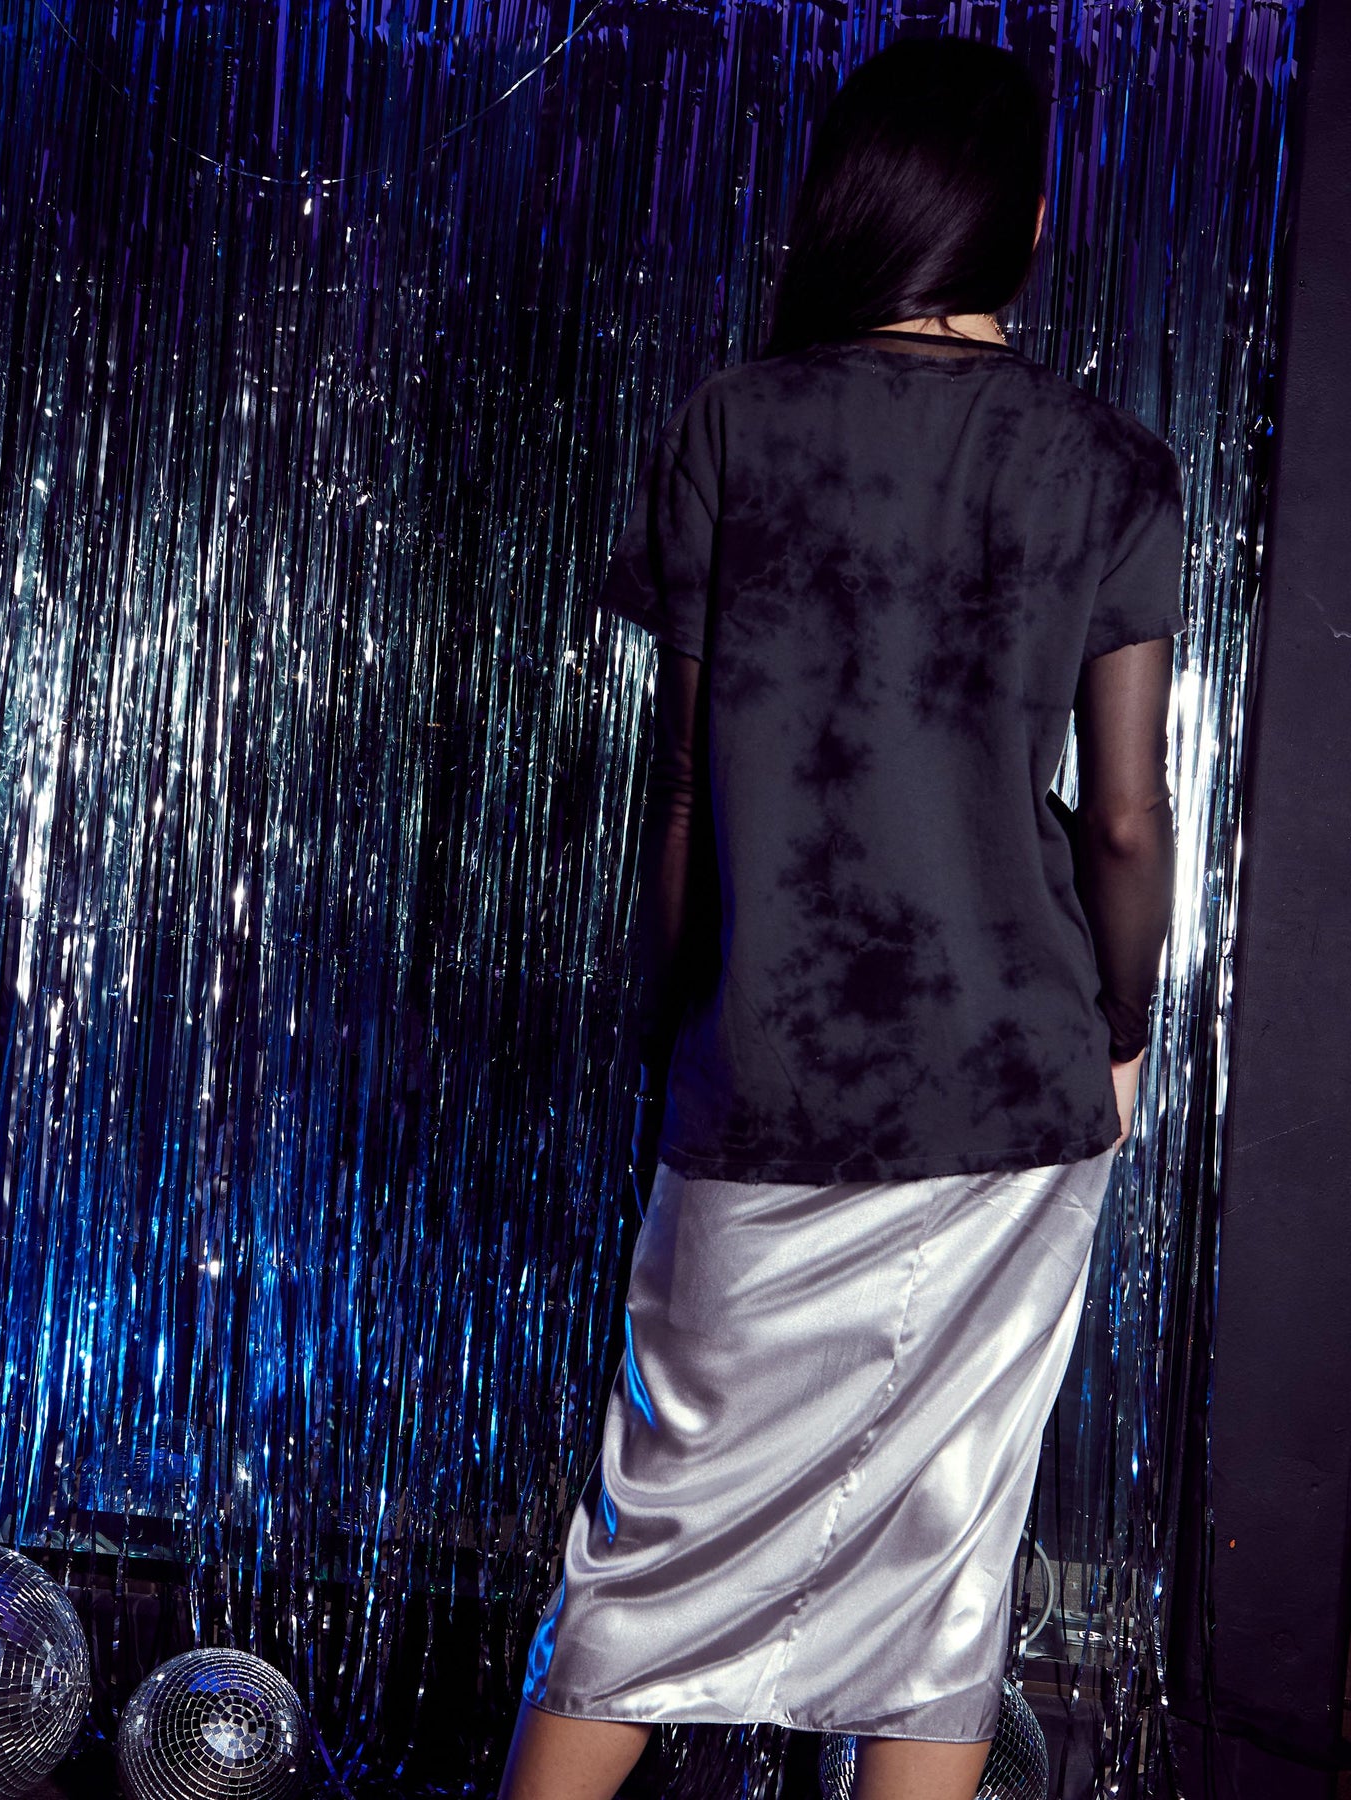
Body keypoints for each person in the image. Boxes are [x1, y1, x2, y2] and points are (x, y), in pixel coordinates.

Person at [499, 32, 1184, 1800]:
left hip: (768, 1066)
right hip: (1011, 1079)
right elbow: (1127, 820)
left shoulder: (735, 423)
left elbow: (679, 797)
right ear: (1030, 222)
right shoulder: (1107, 462)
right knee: (945, 1585)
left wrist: (681, 1032)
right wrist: (1121, 1034)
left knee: (639, 1567)